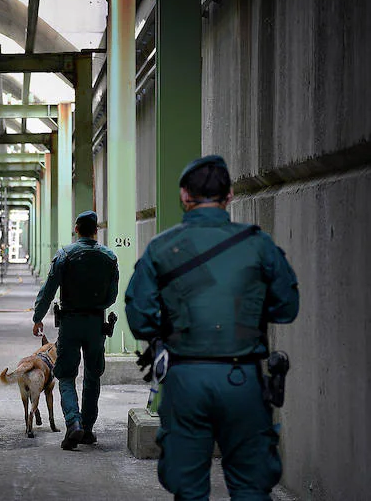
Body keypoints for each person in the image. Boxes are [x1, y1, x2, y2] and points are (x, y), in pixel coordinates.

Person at [125, 155, 299, 500]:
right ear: (230, 195)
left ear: (184, 196)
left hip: (185, 379)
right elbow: (286, 308)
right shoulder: (258, 244)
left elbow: (139, 318)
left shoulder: (161, 247)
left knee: (189, 489)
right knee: (251, 486)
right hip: (243, 379)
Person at [31, 211, 119, 450]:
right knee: (92, 375)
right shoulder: (109, 257)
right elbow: (112, 296)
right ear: (96, 230)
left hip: (70, 323)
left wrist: (38, 318)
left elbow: (49, 289)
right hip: (95, 324)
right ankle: (88, 429)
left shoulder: (65, 255)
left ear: (77, 229)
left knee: (66, 375)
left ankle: (73, 423)